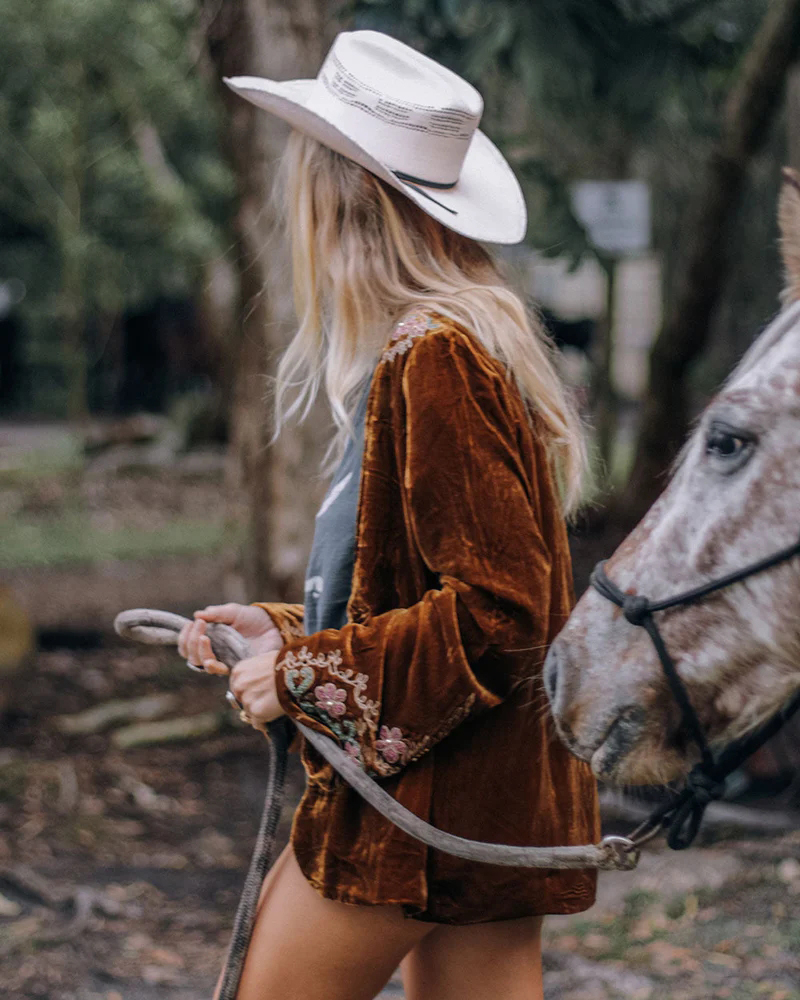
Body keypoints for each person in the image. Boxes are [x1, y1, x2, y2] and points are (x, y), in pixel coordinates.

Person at [178, 30, 599, 1000]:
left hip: (417, 815)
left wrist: (306, 674)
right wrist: (283, 634)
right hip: (484, 807)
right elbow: (431, 590)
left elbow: (500, 615)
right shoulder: (458, 343)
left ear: (339, 200)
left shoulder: (435, 356)